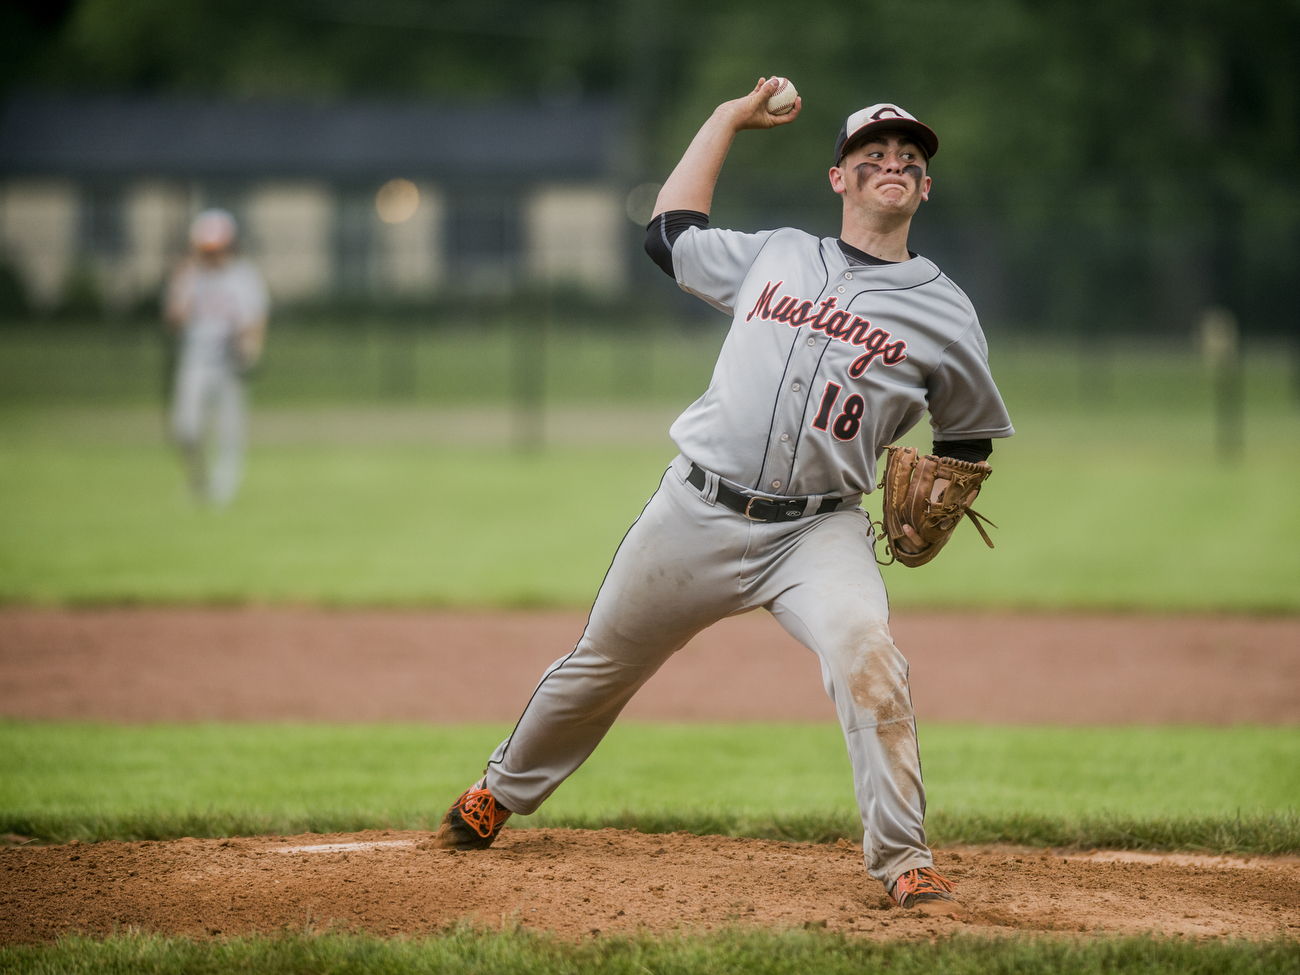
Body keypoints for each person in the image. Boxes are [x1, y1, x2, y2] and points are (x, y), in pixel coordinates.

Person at [433, 79, 1014, 911]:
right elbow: (668, 235)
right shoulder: (775, 254)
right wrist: (726, 118)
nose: (893, 163)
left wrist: (940, 486)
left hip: (818, 534)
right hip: (695, 511)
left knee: (869, 658)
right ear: (839, 177)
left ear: (925, 189)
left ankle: (903, 859)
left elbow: (969, 430)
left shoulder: (945, 312)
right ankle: (499, 790)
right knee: (600, 664)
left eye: (910, 159)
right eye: (873, 153)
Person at [164, 209, 268, 505]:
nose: (212, 256)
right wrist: (179, 290)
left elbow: (254, 321)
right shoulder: (188, 276)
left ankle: (224, 487)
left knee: (229, 428)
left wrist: (249, 349)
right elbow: (173, 321)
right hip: (196, 358)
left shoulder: (243, 277)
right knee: (186, 427)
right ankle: (199, 480)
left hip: (228, 360)